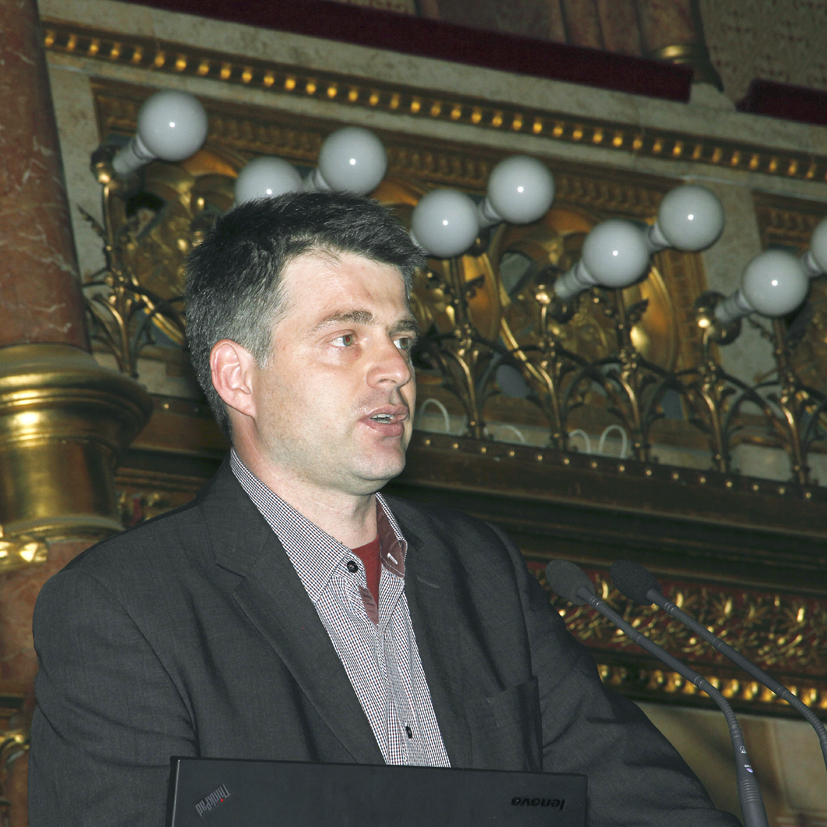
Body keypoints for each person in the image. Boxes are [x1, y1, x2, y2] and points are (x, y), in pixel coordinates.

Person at [29, 192, 740, 826]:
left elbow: (638, 796)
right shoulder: (123, 604)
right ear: (237, 377)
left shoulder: (481, 570)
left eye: (401, 339)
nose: (397, 370)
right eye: (346, 337)